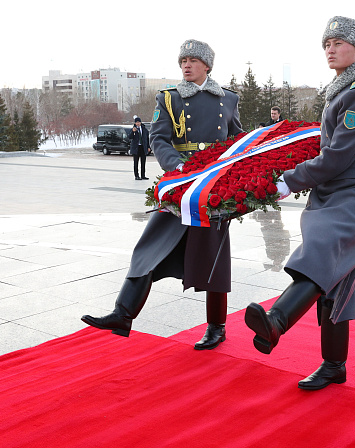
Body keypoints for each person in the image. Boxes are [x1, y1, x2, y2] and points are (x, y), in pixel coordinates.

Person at [244, 16, 355, 391]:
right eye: (326, 43)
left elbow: (338, 156)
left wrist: (288, 181)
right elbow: (327, 148)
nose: (330, 49)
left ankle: (277, 321)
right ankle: (334, 365)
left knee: (323, 250)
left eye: (338, 42)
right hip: (337, 189)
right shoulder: (343, 90)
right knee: (336, 278)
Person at [81, 39, 243, 351]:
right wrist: (178, 168)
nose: (186, 65)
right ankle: (122, 313)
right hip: (182, 185)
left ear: (207, 66)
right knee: (151, 245)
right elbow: (158, 138)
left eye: (193, 60)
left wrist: (236, 177)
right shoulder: (169, 98)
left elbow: (238, 141)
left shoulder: (229, 99)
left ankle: (216, 327)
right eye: (183, 60)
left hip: (214, 188)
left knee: (213, 257)